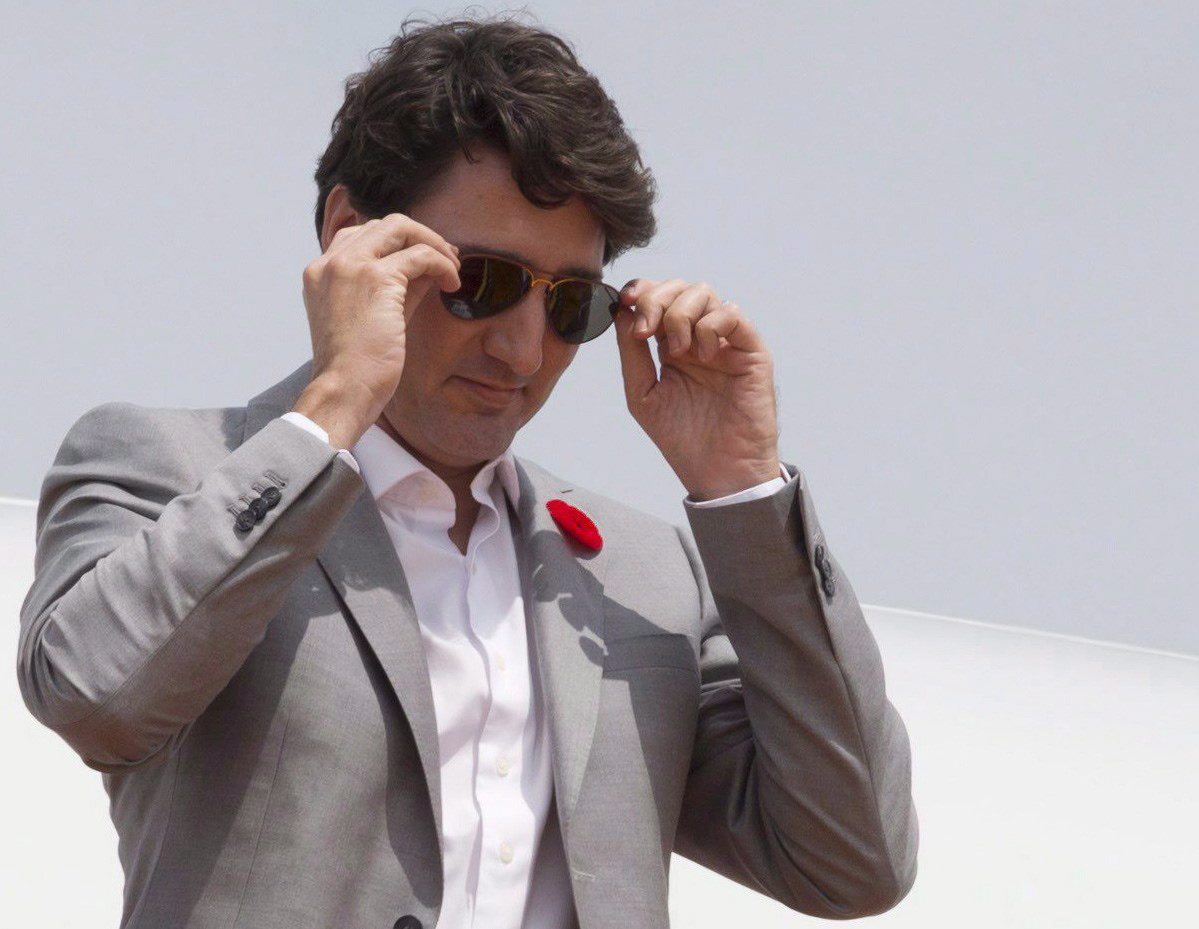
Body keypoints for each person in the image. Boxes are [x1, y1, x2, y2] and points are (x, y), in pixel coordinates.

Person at [17, 13, 917, 929]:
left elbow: (852, 861)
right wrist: (333, 405)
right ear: (349, 235)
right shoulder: (171, 465)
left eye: (571, 304)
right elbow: (96, 698)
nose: (523, 348)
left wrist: (744, 491)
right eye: (480, 278)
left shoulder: (646, 574)